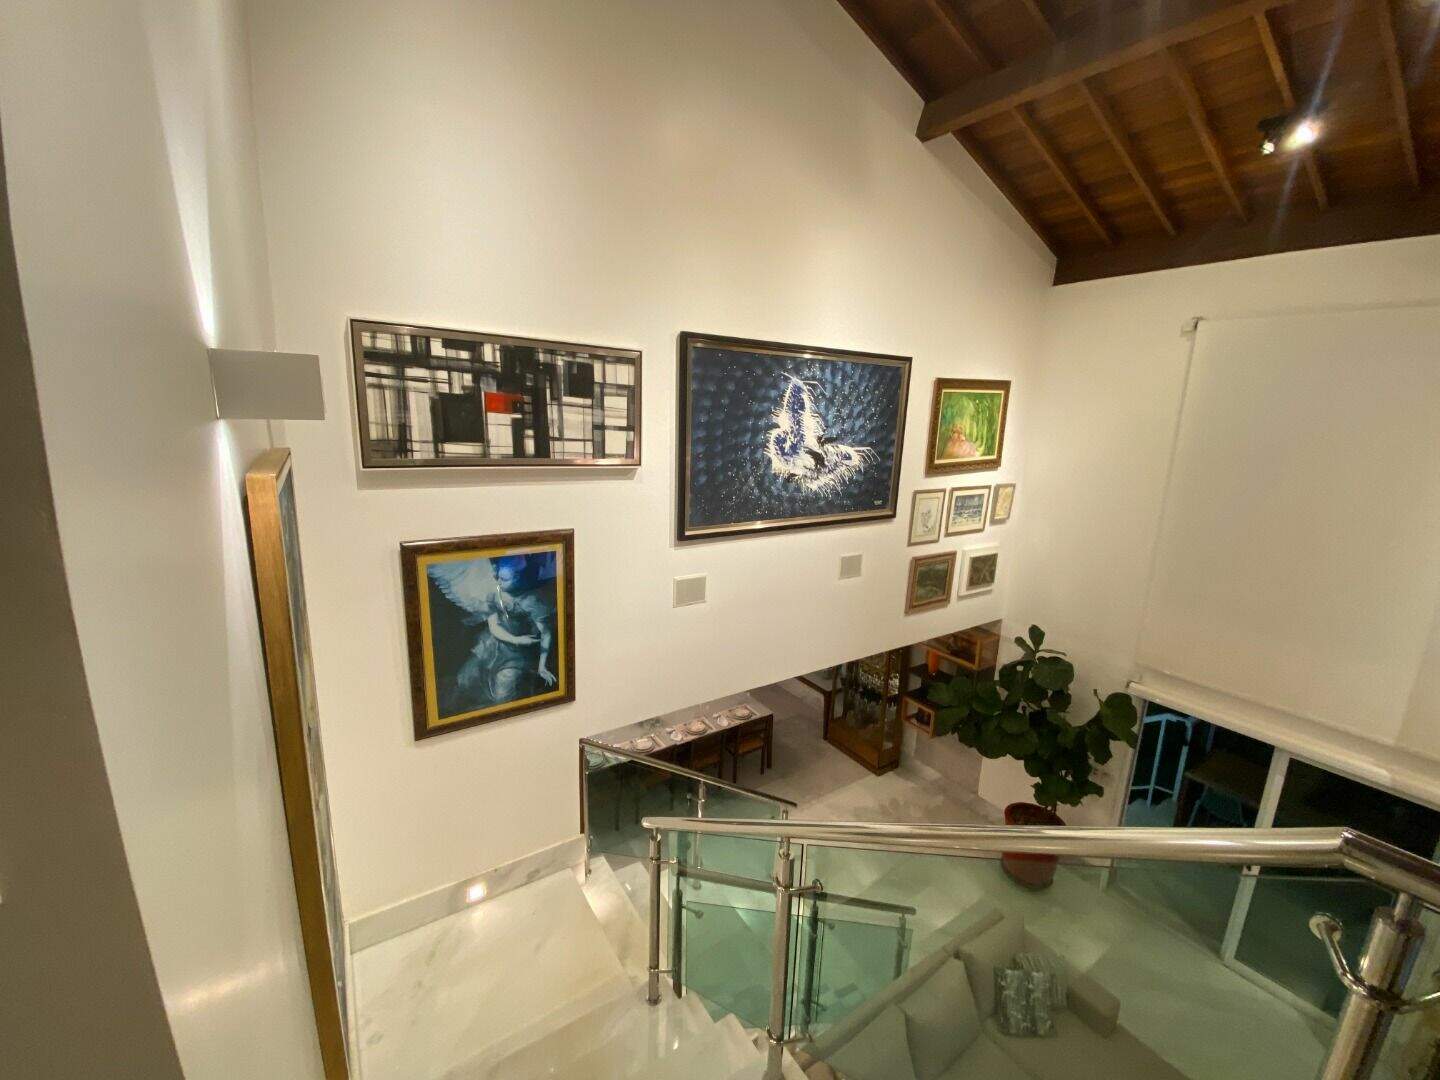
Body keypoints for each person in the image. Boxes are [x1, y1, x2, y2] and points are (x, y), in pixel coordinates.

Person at [447, 556, 556, 714]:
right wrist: (515, 639)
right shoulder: (495, 594)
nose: (498, 582)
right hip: (492, 645)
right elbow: (493, 626)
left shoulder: (532, 601)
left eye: (504, 579)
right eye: (498, 577)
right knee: (466, 678)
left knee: (503, 696)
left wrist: (542, 666)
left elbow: (546, 633)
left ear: (518, 578)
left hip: (518, 656)